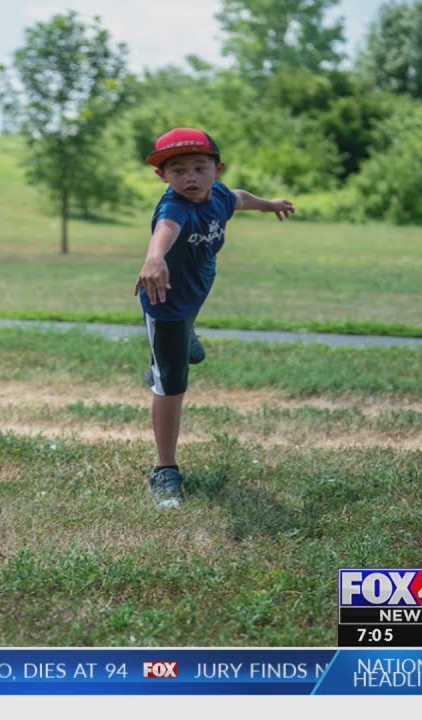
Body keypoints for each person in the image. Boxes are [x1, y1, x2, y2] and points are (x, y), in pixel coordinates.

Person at [133, 128, 294, 509]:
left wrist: (269, 204)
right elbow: (164, 232)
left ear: (216, 169)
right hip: (166, 304)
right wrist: (154, 259)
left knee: (179, 356)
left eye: (199, 168)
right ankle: (165, 471)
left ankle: (175, 348)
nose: (190, 177)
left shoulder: (218, 194)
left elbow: (238, 198)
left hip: (195, 294)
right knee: (171, 384)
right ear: (163, 177)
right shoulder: (175, 208)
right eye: (178, 170)